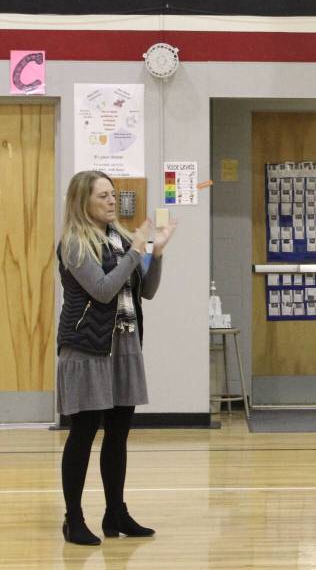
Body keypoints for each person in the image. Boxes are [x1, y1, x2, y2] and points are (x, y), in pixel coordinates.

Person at [56, 171, 177, 545]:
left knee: (119, 434)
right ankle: (73, 518)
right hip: (88, 347)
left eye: (113, 195)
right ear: (84, 202)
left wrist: (155, 254)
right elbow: (105, 290)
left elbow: (149, 291)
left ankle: (116, 513)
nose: (112, 201)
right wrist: (137, 251)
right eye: (103, 196)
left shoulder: (122, 240)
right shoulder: (74, 244)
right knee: (84, 431)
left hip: (124, 344)